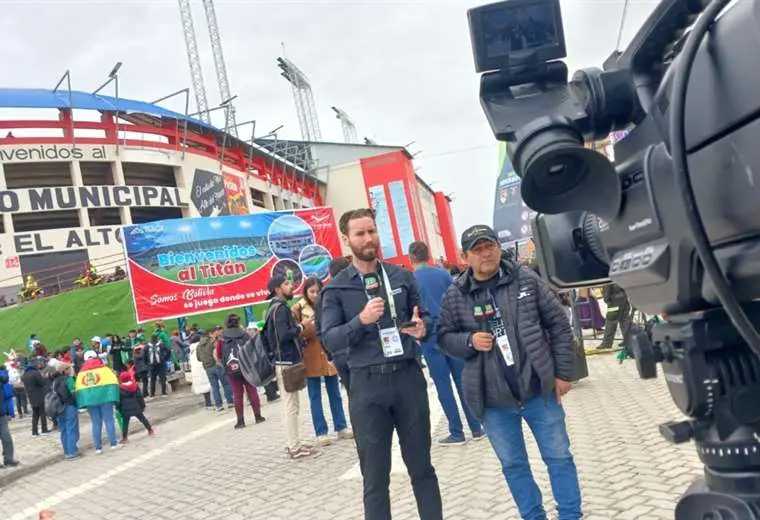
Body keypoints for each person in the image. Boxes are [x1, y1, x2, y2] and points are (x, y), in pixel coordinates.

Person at [437, 224, 582, 520]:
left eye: (489, 245)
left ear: (498, 247)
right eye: (477, 249)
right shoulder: (456, 295)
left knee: (559, 457)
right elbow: (443, 338)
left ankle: (570, 515)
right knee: (513, 465)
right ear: (465, 257)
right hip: (493, 401)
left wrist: (563, 374)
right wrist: (468, 341)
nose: (485, 253)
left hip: (539, 390)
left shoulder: (525, 279)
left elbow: (558, 324)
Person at [320, 208, 442, 520]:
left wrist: (422, 327)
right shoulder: (335, 289)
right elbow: (330, 339)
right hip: (366, 386)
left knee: (422, 467)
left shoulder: (401, 276)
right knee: (375, 477)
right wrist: (360, 321)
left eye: (371, 231)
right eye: (360, 233)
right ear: (347, 239)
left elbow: (424, 316)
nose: (368, 238)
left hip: (407, 379)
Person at [408, 240, 485, 445]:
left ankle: (456, 432)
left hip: (429, 334)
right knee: (461, 380)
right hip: (452, 332)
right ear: (429, 255)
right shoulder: (443, 274)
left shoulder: (411, 280)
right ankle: (477, 427)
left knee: (443, 384)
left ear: (411, 258)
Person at [292, 276, 352, 447]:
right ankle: (321, 432)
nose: (315, 295)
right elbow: (295, 333)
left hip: (327, 352)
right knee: (315, 396)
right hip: (310, 355)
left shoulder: (328, 303)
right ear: (305, 292)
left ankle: (341, 426)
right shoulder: (297, 309)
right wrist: (308, 326)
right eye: (311, 292)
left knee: (335, 393)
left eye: (318, 291)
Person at [265, 275, 315, 459]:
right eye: (286, 284)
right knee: (290, 406)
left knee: (292, 404)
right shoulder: (279, 309)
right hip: (285, 362)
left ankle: (294, 443)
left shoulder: (275, 308)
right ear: (277, 289)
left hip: (284, 361)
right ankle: (294, 447)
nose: (290, 286)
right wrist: (302, 326)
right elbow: (283, 335)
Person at [220, 314, 265, 429]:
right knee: (252, 391)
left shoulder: (222, 337)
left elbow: (219, 354)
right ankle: (258, 416)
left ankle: (240, 421)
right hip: (247, 368)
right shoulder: (245, 334)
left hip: (232, 369)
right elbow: (253, 348)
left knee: (237, 395)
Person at [317, 256, 353, 391]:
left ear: (331, 275)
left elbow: (320, 329)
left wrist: (329, 354)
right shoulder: (353, 289)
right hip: (356, 351)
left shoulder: (323, 295)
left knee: (353, 396)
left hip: (338, 354)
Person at [75, 350, 121, 453]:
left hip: (91, 401)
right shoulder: (104, 368)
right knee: (109, 420)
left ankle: (98, 447)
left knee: (96, 423)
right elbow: (114, 381)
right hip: (105, 398)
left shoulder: (81, 373)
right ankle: (113, 443)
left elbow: (78, 388)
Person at [197, 326, 233, 411]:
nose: (217, 333)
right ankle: (230, 402)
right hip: (217, 365)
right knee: (226, 384)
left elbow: (198, 358)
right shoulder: (213, 342)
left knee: (214, 387)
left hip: (208, 367)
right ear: (210, 333)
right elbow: (219, 352)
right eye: (215, 331)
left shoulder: (199, 345)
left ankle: (218, 405)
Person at [51, 363, 79, 460]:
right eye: (70, 368)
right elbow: (73, 393)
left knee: (64, 430)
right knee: (71, 429)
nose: (71, 369)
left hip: (59, 407)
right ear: (65, 370)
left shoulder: (55, 381)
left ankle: (67, 451)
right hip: (69, 406)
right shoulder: (69, 379)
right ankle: (72, 451)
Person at [117, 371, 154, 443]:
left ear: (121, 379)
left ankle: (125, 438)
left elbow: (119, 401)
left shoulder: (119, 389)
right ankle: (150, 430)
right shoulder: (135, 386)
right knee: (143, 419)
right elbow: (139, 397)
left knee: (125, 423)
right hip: (136, 407)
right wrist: (143, 406)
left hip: (125, 409)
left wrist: (119, 409)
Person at [21, 357, 49, 436]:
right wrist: (44, 377)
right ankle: (44, 429)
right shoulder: (36, 373)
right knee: (42, 413)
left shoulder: (25, 375)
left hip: (30, 396)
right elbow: (42, 383)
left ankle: (34, 431)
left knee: (35, 414)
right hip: (39, 395)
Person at [599, 283, 632, 350]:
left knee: (611, 321)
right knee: (624, 320)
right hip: (624, 298)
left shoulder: (606, 274)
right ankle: (628, 341)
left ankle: (607, 343)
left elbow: (607, 287)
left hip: (614, 300)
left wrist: (606, 299)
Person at [0, 365, 18, 469]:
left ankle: (8, 459)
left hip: (2, 415)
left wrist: (8, 412)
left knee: (6, 438)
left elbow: (5, 379)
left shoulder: (2, 382)